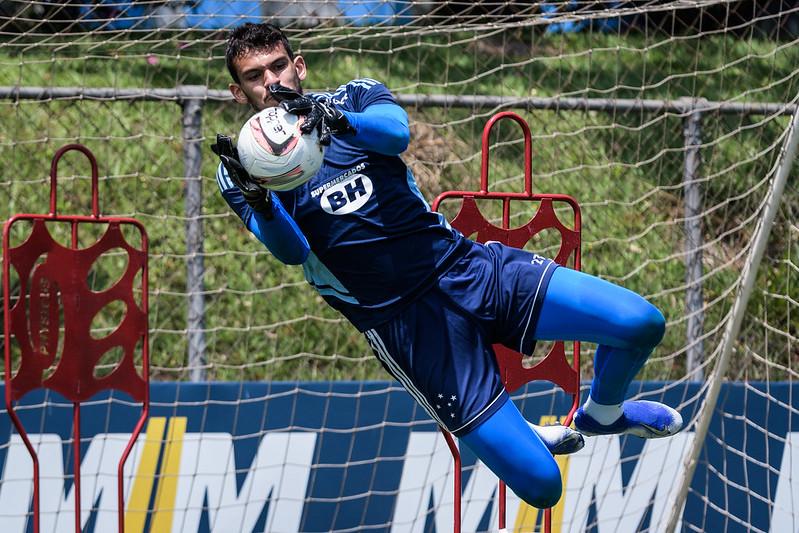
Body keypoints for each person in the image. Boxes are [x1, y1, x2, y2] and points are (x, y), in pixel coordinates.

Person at [212, 22, 683, 509]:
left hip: (467, 267)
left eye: (278, 66)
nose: (272, 82)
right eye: (254, 76)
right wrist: (261, 200)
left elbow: (396, 134)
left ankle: (603, 413)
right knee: (544, 487)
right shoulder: (241, 167)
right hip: (407, 327)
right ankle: (524, 437)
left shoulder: (350, 98)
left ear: (299, 66)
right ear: (237, 91)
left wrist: (336, 118)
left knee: (640, 323)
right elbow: (292, 252)